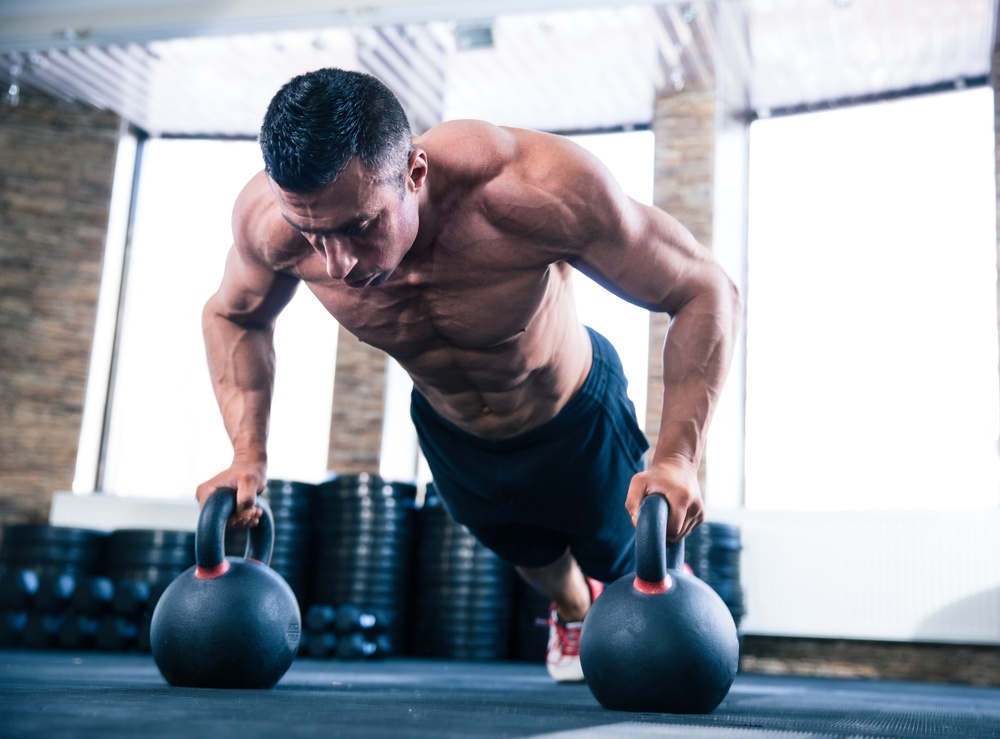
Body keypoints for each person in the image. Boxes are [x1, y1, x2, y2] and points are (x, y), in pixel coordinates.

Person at [196, 68, 740, 682]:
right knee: (526, 552)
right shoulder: (270, 226)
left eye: (359, 226)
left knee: (625, 561)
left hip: (572, 413)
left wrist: (677, 459)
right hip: (451, 430)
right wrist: (248, 454)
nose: (338, 264)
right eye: (312, 233)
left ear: (415, 173)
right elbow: (232, 316)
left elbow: (703, 290)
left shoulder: (528, 189)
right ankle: (571, 608)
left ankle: (651, 578)